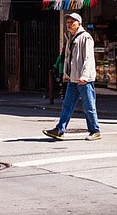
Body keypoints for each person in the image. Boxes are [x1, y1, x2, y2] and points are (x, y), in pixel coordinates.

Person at [43, 12, 101, 141]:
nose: (69, 24)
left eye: (72, 22)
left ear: (79, 24)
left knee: (89, 106)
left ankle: (95, 130)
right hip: (73, 78)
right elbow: (68, 59)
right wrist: (65, 74)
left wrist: (85, 76)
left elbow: (88, 58)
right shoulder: (70, 37)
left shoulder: (85, 37)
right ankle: (59, 129)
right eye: (68, 22)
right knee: (67, 105)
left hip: (84, 80)